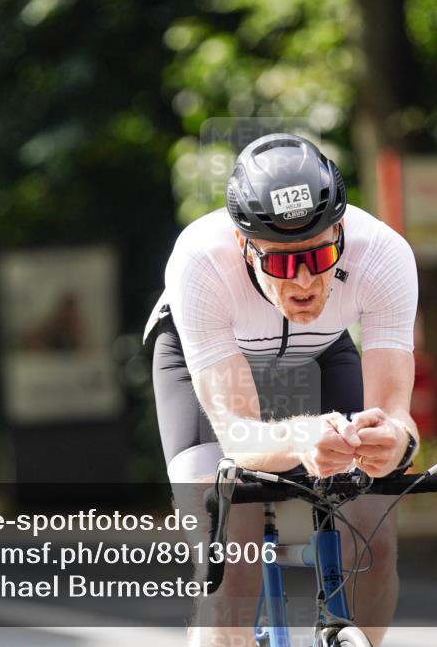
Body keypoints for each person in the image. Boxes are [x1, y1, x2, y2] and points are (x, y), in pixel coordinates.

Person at [145, 133, 419, 646]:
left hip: (321, 354)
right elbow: (237, 436)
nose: (304, 282)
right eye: (281, 263)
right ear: (243, 245)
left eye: (321, 254)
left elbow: (395, 415)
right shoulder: (200, 261)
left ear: (341, 229)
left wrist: (395, 442)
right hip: (208, 365)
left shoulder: (383, 254)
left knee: (375, 544)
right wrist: (300, 438)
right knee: (233, 566)